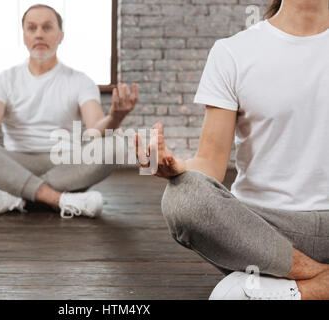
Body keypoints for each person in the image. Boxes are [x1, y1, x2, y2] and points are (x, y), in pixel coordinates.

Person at [136, 0, 329, 299]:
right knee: (182, 196)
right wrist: (176, 167)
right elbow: (211, 163)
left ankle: (287, 290)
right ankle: (318, 282)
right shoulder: (233, 52)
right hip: (260, 230)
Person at [0, 4, 138, 219]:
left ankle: (17, 195)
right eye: (32, 28)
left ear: (60, 36)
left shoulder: (80, 81)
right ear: (24, 35)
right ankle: (60, 200)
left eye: (47, 27)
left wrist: (116, 116)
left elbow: (96, 129)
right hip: (15, 162)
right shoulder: (2, 81)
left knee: (118, 142)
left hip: (65, 164)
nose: (39, 34)